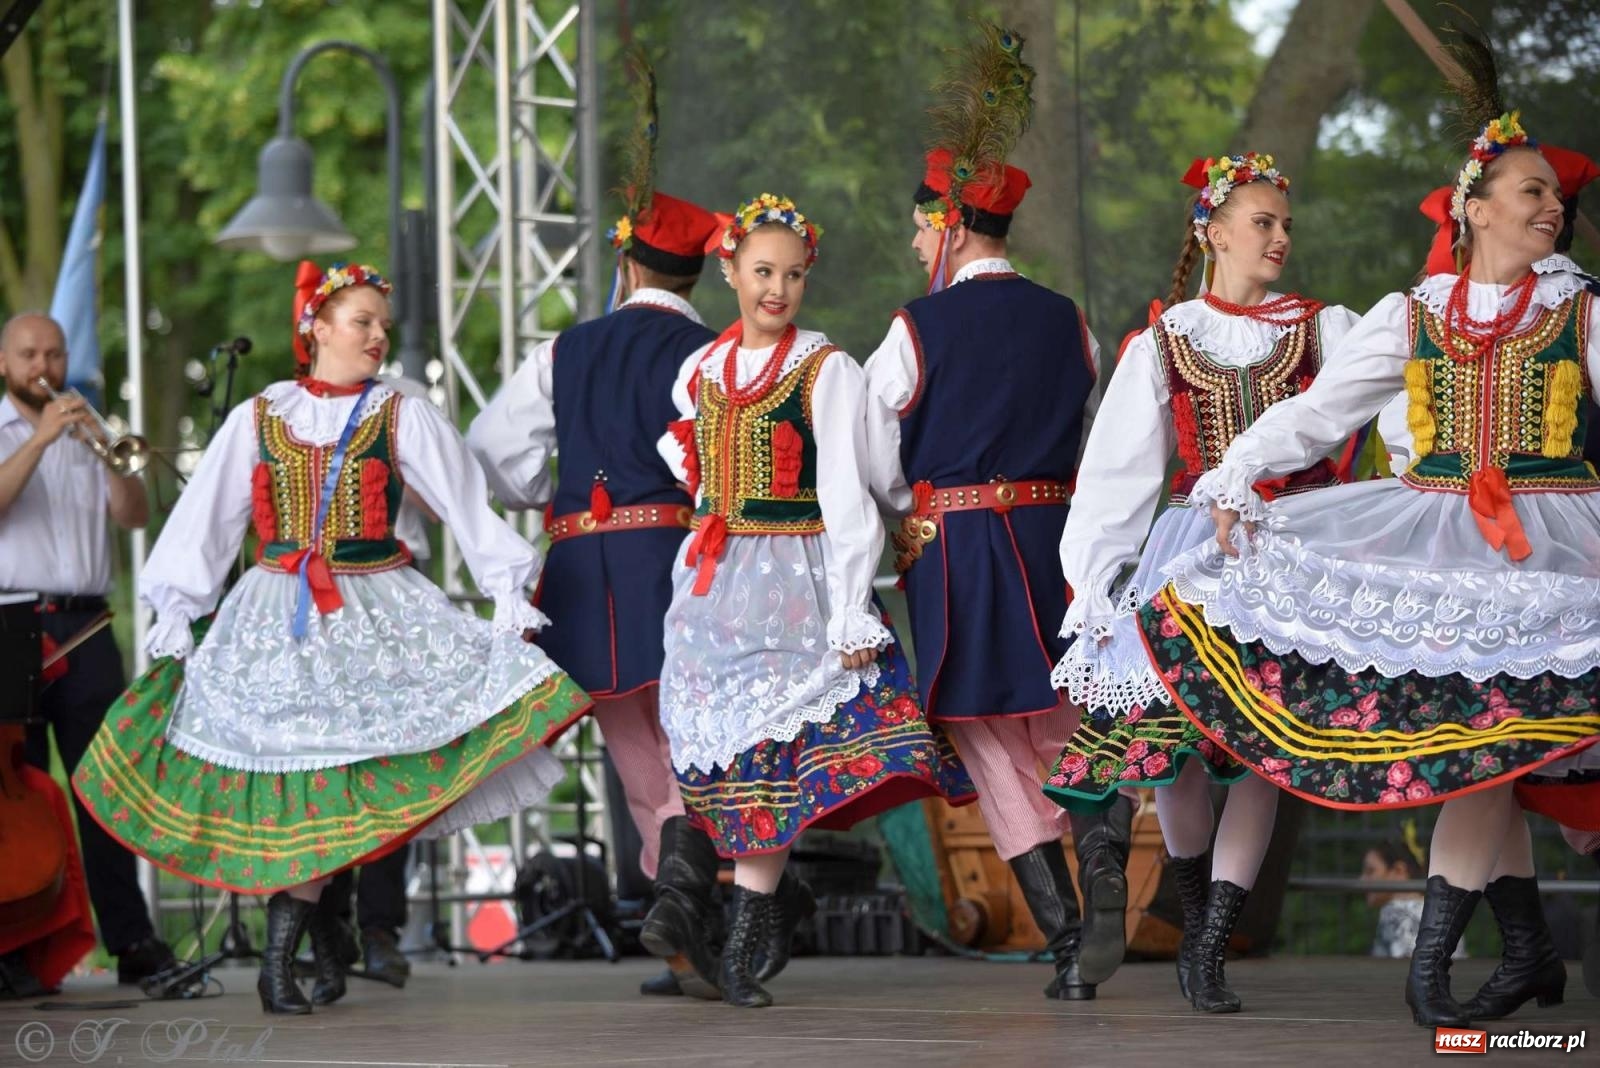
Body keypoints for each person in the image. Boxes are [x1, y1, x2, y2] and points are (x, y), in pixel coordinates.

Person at [1135, 40, 1599, 1027]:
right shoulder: (1414, 312)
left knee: (1498, 741)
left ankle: (1442, 964)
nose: (1549, 205)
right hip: (1440, 543)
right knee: (1486, 742)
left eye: (1553, 194)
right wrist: (1232, 470)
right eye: (1527, 190)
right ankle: (1513, 956)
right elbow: (1319, 411)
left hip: (1553, 542)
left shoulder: (1579, 310)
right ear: (1472, 207)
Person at [71, 262, 589, 1015]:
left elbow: (467, 508)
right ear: (316, 327)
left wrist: (505, 589)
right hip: (277, 612)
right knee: (299, 784)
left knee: (357, 776)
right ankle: (307, 949)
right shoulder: (260, 415)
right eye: (361, 321)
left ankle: (307, 949)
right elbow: (208, 518)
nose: (378, 334)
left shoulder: (401, 415)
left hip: (374, 612)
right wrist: (177, 605)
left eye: (382, 322)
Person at [1043, 153, 1363, 1012]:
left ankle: (1212, 946)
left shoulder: (1327, 329)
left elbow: (1389, 411)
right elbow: (1116, 474)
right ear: (1213, 232)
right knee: (1174, 754)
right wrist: (1093, 587)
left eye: (1286, 224)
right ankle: (1192, 924)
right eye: (1263, 222)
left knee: (1262, 749)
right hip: (1191, 550)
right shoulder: (1166, 340)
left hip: (1290, 548)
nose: (1281, 238)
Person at [656, 194, 973, 1008]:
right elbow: (685, 452)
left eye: (793, 275)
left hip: (795, 580)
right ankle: (761, 908)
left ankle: (746, 937)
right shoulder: (703, 370)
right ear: (727, 269)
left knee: (769, 760)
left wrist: (850, 605)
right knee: (716, 756)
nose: (778, 290)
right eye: (763, 272)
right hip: (714, 585)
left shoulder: (825, 369)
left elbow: (848, 491)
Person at [864, 22, 1124, 1002]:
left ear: (949, 223)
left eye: (921, 226)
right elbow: (1092, 421)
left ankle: (1064, 942)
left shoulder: (914, 326)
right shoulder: (1069, 320)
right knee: (1065, 724)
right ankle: (1099, 881)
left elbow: (873, 454)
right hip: (1053, 542)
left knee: (982, 741)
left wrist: (896, 519)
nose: (916, 242)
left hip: (955, 551)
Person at [469, 49, 729, 1000]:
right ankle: (703, 913)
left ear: (623, 258)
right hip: (684, 561)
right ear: (698, 272)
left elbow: (492, 452)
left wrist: (559, 486)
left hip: (584, 565)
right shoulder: (717, 352)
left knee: (633, 747)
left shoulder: (564, 351)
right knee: (706, 735)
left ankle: (674, 913)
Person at [0, 312, 174, 985]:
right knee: (19, 794)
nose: (44, 365)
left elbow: (133, 516)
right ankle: (19, 949)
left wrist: (111, 453)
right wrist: (41, 440)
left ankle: (131, 942)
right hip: (12, 623)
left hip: (88, 626)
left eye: (54, 352)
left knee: (103, 790)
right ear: (5, 362)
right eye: (28, 354)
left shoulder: (87, 422)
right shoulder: (23, 429)